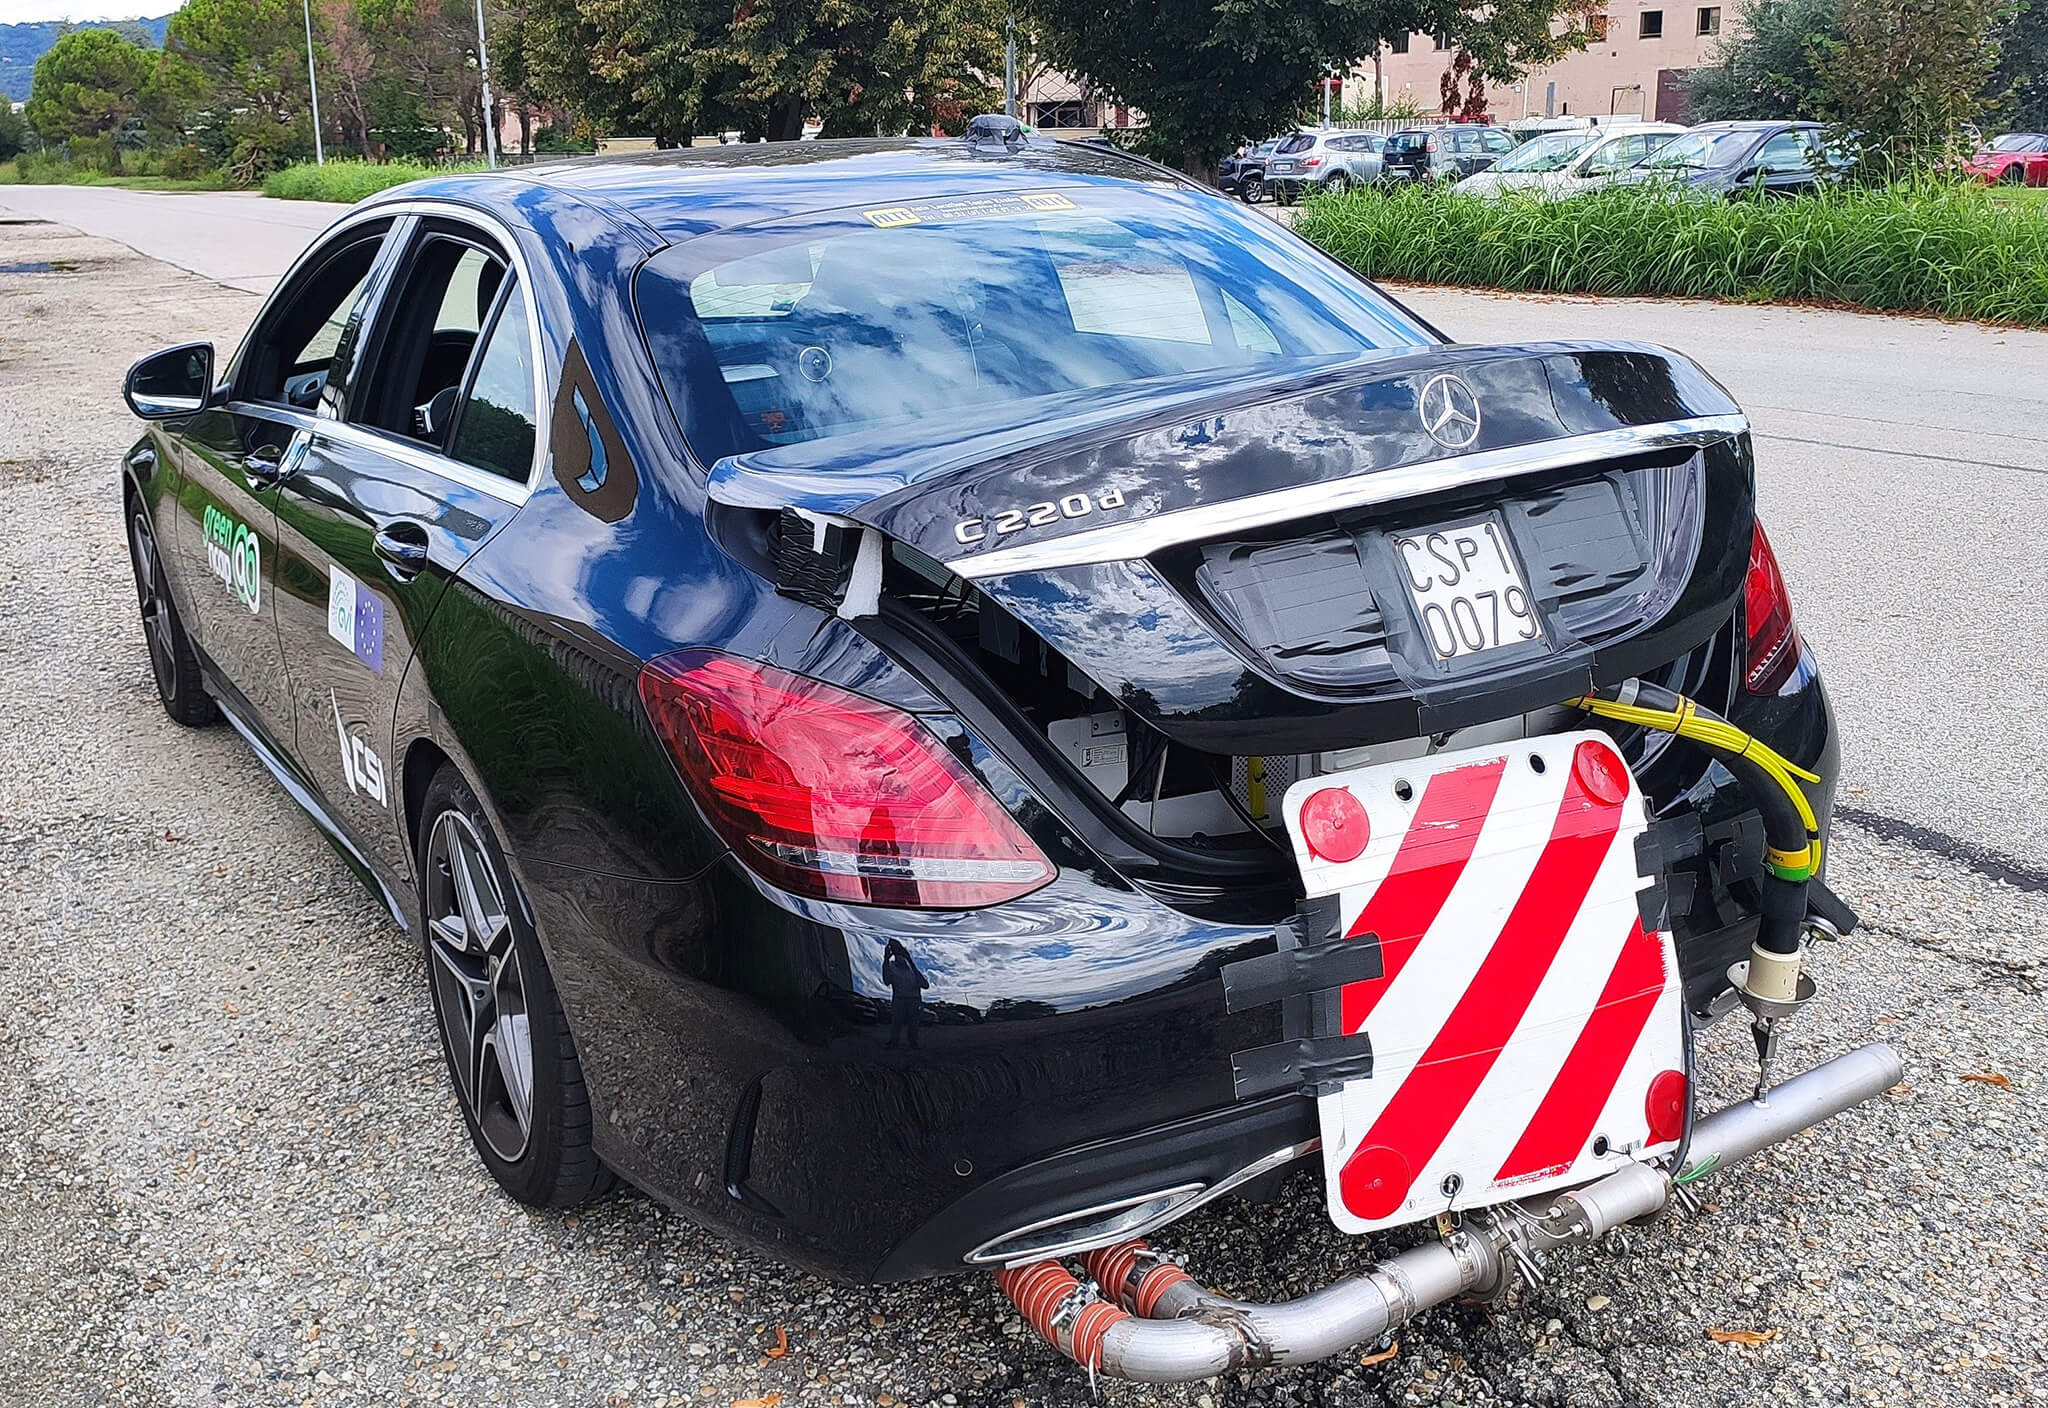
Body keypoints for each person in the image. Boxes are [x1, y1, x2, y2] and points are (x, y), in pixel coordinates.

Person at [882, 939, 929, 1050]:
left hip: (914, 999)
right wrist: (886, 960)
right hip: (899, 999)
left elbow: (925, 985)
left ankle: (913, 1042)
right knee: (896, 1022)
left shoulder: (912, 969)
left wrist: (911, 962)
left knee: (913, 1023)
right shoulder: (890, 966)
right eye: (897, 953)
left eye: (901, 953)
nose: (900, 957)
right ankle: (894, 1042)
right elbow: (887, 981)